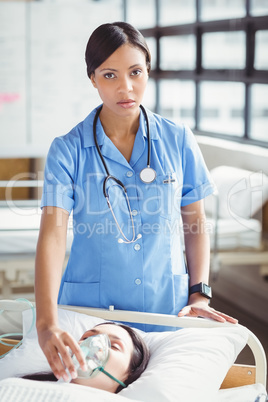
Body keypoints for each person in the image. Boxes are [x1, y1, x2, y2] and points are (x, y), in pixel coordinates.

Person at [35, 21, 237, 382]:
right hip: (91, 314)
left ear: (148, 71)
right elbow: (52, 234)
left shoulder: (177, 140)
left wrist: (199, 294)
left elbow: (195, 221)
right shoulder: (67, 150)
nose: (126, 88)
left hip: (166, 309)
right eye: (110, 75)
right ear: (92, 78)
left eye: (136, 72)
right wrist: (47, 321)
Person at [23, 322, 150, 394]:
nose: (92, 345)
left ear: (130, 374)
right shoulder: (24, 390)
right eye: (86, 338)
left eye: (113, 346)